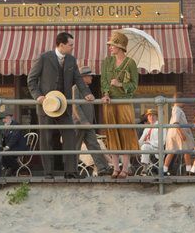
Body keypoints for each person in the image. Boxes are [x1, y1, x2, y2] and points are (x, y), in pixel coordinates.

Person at [28, 31, 94, 179]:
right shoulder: (44, 58)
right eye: (70, 45)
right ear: (61, 45)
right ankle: (48, 173)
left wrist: (86, 93)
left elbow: (78, 79)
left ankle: (70, 171)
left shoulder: (71, 60)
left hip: (64, 106)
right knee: (46, 139)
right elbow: (31, 80)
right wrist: (38, 96)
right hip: (46, 106)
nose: (72, 48)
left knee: (70, 136)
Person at [100, 31, 139, 179]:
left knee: (125, 133)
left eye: (113, 45)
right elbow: (103, 80)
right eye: (110, 45)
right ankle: (115, 168)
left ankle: (125, 168)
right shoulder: (106, 62)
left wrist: (120, 84)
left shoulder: (131, 63)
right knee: (112, 134)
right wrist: (106, 94)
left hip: (124, 102)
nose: (110, 47)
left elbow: (134, 85)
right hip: (109, 103)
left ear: (121, 47)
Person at [72, 66, 111, 176]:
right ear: (83, 77)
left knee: (94, 144)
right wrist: (84, 121)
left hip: (87, 123)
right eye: (90, 75)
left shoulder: (86, 88)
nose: (92, 78)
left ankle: (103, 168)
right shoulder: (76, 88)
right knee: (76, 147)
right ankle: (72, 171)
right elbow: (76, 106)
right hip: (80, 123)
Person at [163, 92, 195, 175]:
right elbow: (176, 122)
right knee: (186, 150)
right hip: (178, 132)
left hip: (173, 133)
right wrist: (181, 133)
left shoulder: (175, 109)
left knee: (171, 152)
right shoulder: (177, 109)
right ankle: (189, 170)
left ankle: (164, 170)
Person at [0, 112, 27, 176]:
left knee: (6, 153)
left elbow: (14, 138)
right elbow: (3, 138)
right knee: (2, 153)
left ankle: (15, 167)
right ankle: (10, 168)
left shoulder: (16, 125)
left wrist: (7, 146)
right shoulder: (3, 126)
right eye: (5, 118)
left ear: (11, 118)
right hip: (11, 147)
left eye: (8, 117)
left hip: (19, 146)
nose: (7, 119)